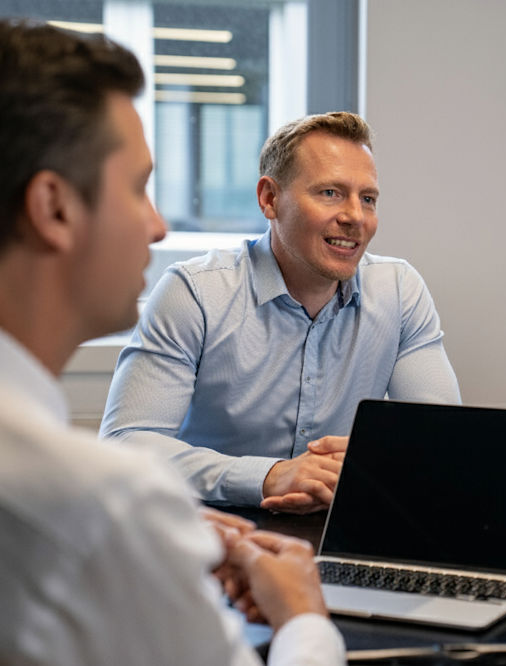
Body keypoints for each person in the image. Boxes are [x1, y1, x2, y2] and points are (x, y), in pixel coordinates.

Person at [0, 20, 344, 664]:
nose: (157, 226)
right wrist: (302, 615)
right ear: (53, 208)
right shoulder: (99, 502)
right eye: (137, 188)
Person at [100, 111, 461, 514]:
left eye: (368, 199)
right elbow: (127, 442)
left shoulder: (399, 291)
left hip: (339, 528)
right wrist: (269, 476)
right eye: (330, 193)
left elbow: (440, 442)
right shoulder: (195, 292)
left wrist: (375, 459)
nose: (355, 217)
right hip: (213, 530)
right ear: (270, 199)